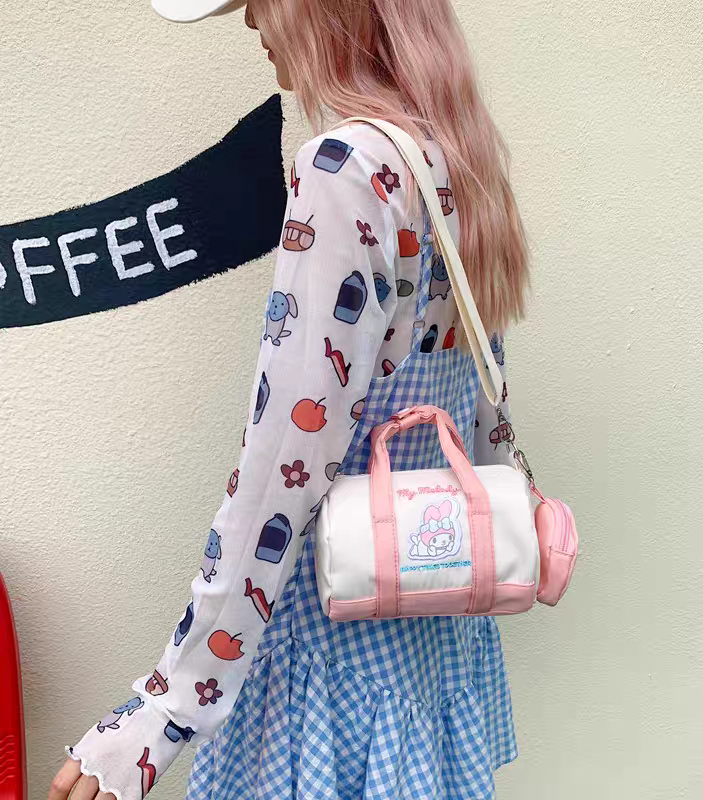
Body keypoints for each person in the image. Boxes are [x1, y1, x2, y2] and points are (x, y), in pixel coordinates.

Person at [49, 0, 530, 798]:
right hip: (432, 622)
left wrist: (164, 711)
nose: (251, 24)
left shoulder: (344, 169)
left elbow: (285, 462)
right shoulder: (451, 156)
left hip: (331, 648)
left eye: (258, 2)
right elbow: (483, 393)